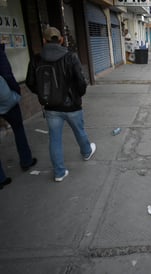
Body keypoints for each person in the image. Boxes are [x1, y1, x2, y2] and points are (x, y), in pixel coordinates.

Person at [26, 27, 95, 182]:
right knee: (79, 131)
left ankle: (59, 173)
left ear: (44, 40)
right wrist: (77, 96)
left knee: (54, 139)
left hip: (51, 107)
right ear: (61, 39)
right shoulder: (70, 57)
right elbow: (81, 82)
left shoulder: (36, 59)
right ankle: (86, 152)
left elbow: (30, 82)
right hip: (72, 106)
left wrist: (44, 95)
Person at [0, 44, 37, 189]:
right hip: (5, 99)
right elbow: (7, 74)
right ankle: (26, 161)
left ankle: (1, 179)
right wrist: (16, 92)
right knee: (18, 128)